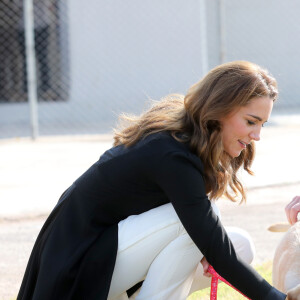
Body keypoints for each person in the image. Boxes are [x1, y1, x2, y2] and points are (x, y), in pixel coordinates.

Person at [17, 61, 287, 300]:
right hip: (74, 269)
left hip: (105, 258)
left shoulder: (185, 141)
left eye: (262, 124)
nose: (257, 135)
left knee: (239, 245)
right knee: (201, 230)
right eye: (251, 121)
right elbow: (213, 244)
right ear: (220, 108)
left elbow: (216, 244)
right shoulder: (172, 152)